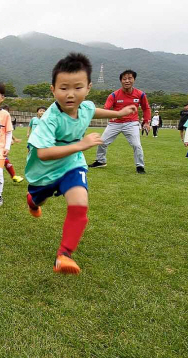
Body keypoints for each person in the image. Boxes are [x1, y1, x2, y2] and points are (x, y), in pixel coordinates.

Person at [25, 53, 136, 274]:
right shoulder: (50, 118)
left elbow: (93, 111)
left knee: (80, 203)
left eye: (78, 87)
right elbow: (44, 153)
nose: (70, 94)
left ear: (88, 88)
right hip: (45, 170)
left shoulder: (85, 106)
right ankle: (32, 201)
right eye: (64, 88)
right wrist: (81, 145)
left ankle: (64, 255)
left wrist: (119, 112)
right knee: (40, 198)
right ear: (53, 89)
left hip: (72, 164)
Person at [88, 69, 151, 173]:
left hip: (132, 123)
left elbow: (146, 108)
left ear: (134, 80)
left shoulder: (140, 94)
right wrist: (110, 114)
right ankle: (100, 161)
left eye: (129, 78)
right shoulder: (114, 95)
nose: (127, 81)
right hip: (115, 123)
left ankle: (140, 166)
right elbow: (106, 108)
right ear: (121, 81)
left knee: (136, 145)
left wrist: (147, 121)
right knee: (102, 142)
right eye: (124, 79)